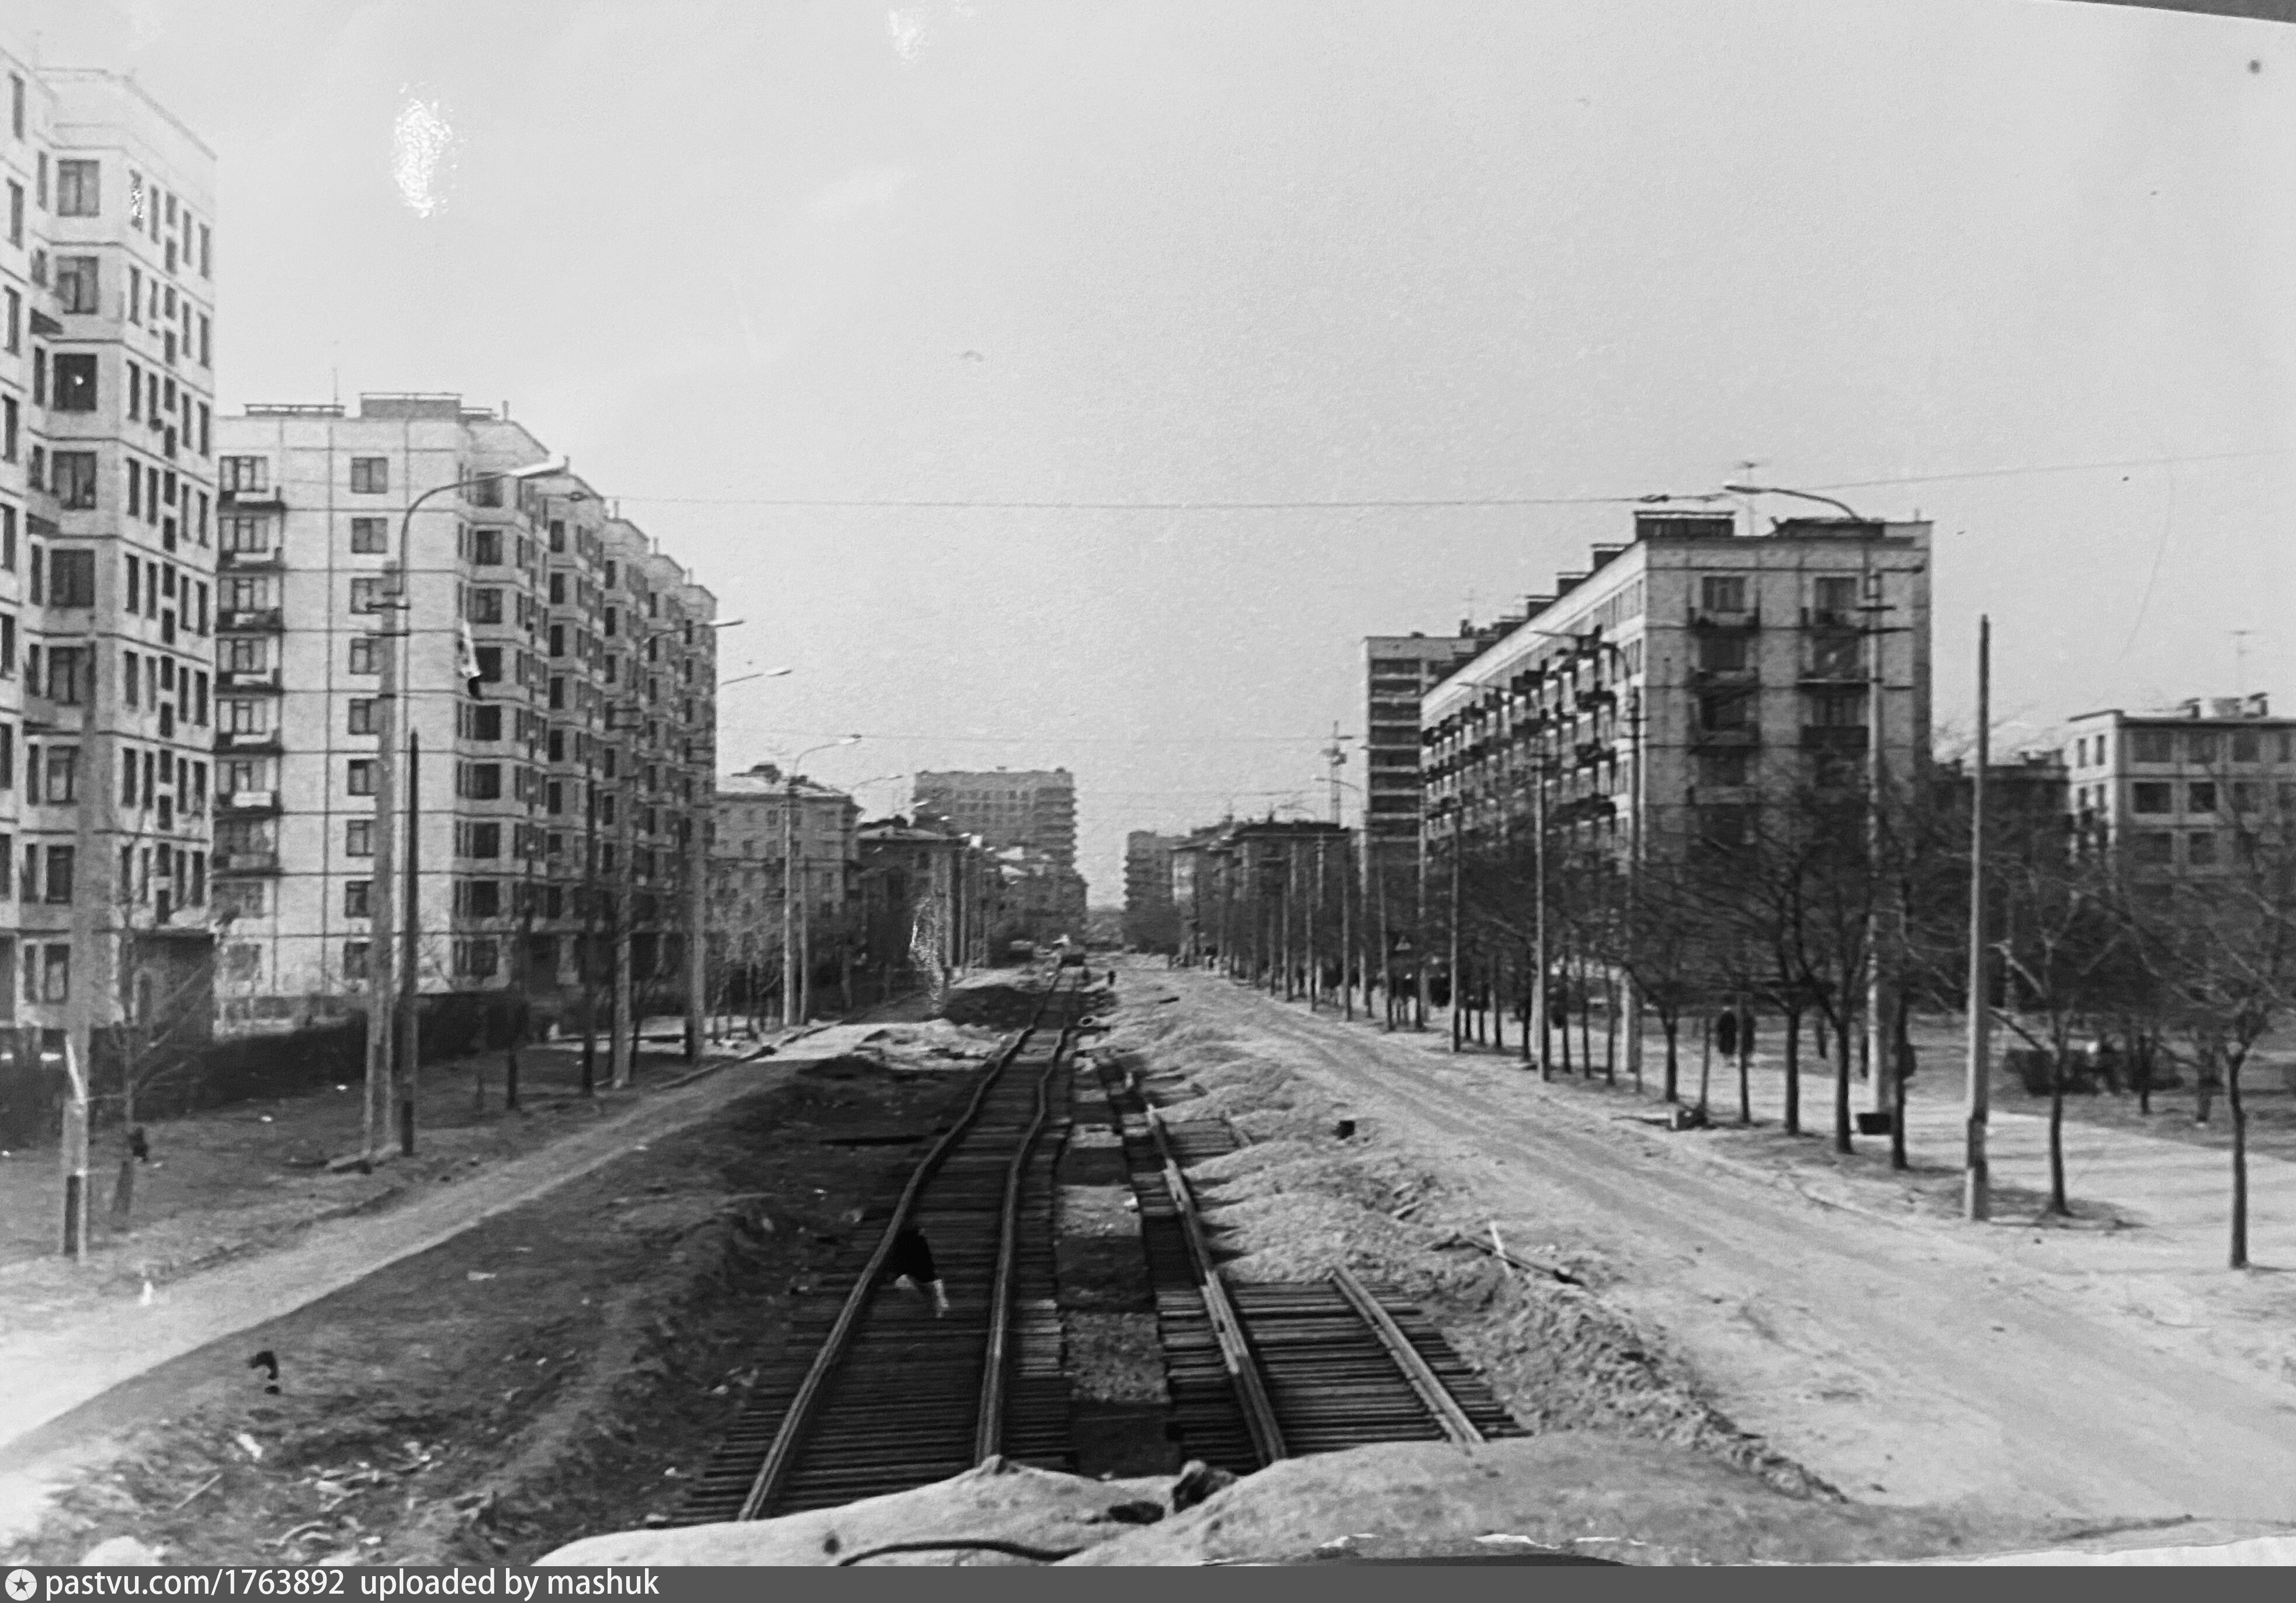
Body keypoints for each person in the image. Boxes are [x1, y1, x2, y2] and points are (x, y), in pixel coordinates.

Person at [886, 1226, 951, 1317]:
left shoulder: (900, 1247)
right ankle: (937, 1306)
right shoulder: (920, 1243)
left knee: (907, 1285)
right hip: (920, 1276)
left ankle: (927, 1308)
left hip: (912, 1277)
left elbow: (897, 1268)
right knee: (933, 1286)